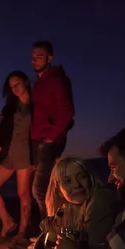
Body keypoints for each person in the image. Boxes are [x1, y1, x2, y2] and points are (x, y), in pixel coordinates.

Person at [31, 157, 116, 249]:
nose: (77, 184)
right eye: (67, 181)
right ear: (59, 190)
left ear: (90, 179)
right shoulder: (66, 211)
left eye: (82, 176)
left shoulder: (99, 199)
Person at [0, 71, 34, 242]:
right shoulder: (9, 108)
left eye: (18, 83)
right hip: (8, 154)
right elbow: (3, 129)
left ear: (26, 82)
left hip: (26, 154)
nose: (15, 88)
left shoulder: (36, 105)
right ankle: (7, 221)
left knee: (23, 193)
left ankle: (22, 233)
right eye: (11, 86)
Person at [30, 41, 75, 220]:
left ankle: (49, 233)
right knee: (47, 188)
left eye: (39, 56)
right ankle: (52, 231)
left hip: (48, 140)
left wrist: (52, 136)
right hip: (37, 139)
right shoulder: (37, 83)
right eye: (32, 57)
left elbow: (68, 111)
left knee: (39, 189)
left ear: (50, 58)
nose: (34, 60)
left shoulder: (57, 80)